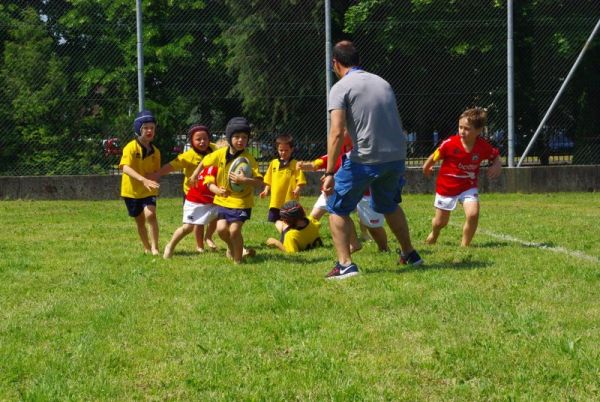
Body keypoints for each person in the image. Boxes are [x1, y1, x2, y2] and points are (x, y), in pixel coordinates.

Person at [322, 40, 422, 279]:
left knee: (336, 206)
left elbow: (336, 132)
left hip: (366, 158)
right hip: (396, 156)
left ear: (335, 63)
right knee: (388, 205)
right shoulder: (382, 82)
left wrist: (329, 173)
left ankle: (345, 264)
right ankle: (410, 254)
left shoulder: (341, 87)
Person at [422, 107, 502, 246]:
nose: (462, 132)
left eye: (467, 128)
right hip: (447, 187)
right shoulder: (450, 143)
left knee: (473, 214)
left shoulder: (482, 146)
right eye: (460, 127)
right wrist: (426, 166)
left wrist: (496, 165)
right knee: (441, 222)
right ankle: (434, 233)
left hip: (467, 187)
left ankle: (465, 246)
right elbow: (436, 155)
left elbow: (495, 156)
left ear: (478, 130)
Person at [189, 117, 264, 264]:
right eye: (236, 137)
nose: (240, 140)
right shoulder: (220, 153)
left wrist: (244, 180)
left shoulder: (249, 159)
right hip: (223, 200)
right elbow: (205, 162)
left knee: (235, 230)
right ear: (229, 138)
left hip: (242, 201)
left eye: (244, 137)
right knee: (222, 230)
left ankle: (238, 260)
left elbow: (259, 182)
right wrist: (194, 174)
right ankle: (232, 247)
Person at [298, 133, 388, 253]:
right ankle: (306, 241)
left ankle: (383, 249)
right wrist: (304, 165)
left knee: (373, 226)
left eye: (341, 131)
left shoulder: (363, 152)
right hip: (332, 192)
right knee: (313, 218)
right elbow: (316, 164)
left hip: (362, 192)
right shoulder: (333, 154)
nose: (335, 134)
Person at [151, 124, 218, 252]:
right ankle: (199, 246)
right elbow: (171, 166)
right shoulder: (188, 156)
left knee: (217, 216)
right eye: (198, 139)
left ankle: (208, 237)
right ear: (191, 141)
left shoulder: (215, 149)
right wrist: (157, 174)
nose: (202, 141)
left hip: (212, 190)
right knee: (198, 221)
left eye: (205, 138)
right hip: (194, 195)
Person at [119, 110, 161, 255]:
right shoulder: (130, 147)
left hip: (148, 190)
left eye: (152, 128)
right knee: (140, 221)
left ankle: (155, 247)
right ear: (139, 129)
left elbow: (155, 173)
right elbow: (125, 167)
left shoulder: (156, 152)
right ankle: (146, 247)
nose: (149, 131)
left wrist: (153, 178)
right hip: (131, 191)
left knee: (151, 215)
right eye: (146, 128)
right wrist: (142, 179)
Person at [259, 133, 306, 223]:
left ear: (291, 150)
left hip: (289, 201)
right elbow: (269, 179)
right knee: (275, 221)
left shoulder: (295, 164)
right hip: (275, 201)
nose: (283, 152)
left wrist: (297, 189)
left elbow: (300, 180)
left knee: (290, 222)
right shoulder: (273, 163)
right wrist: (266, 190)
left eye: (286, 150)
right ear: (277, 149)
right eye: (281, 150)